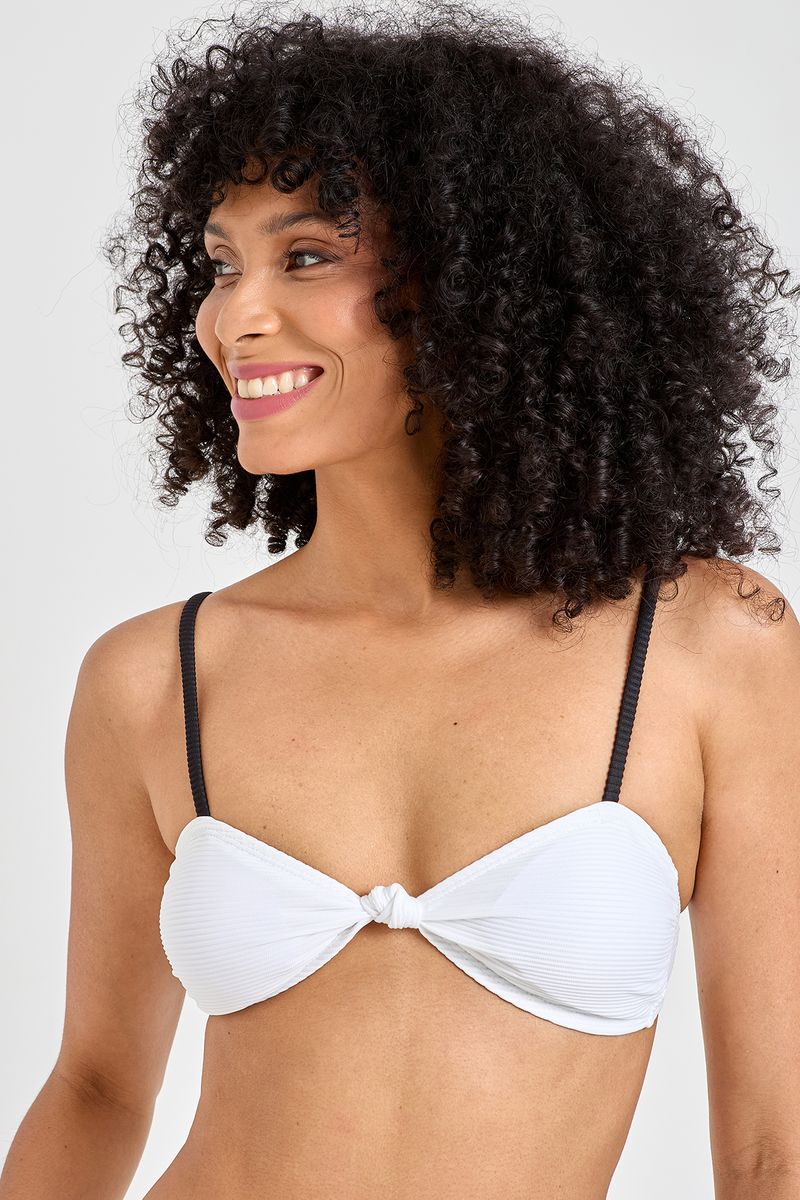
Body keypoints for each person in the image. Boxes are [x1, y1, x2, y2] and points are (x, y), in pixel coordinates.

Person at [2, 2, 799, 1197]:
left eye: (304, 257)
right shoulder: (155, 678)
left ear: (473, 282)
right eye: (222, 265)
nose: (234, 317)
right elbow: (97, 1089)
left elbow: (772, 1148)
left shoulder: (703, 648)